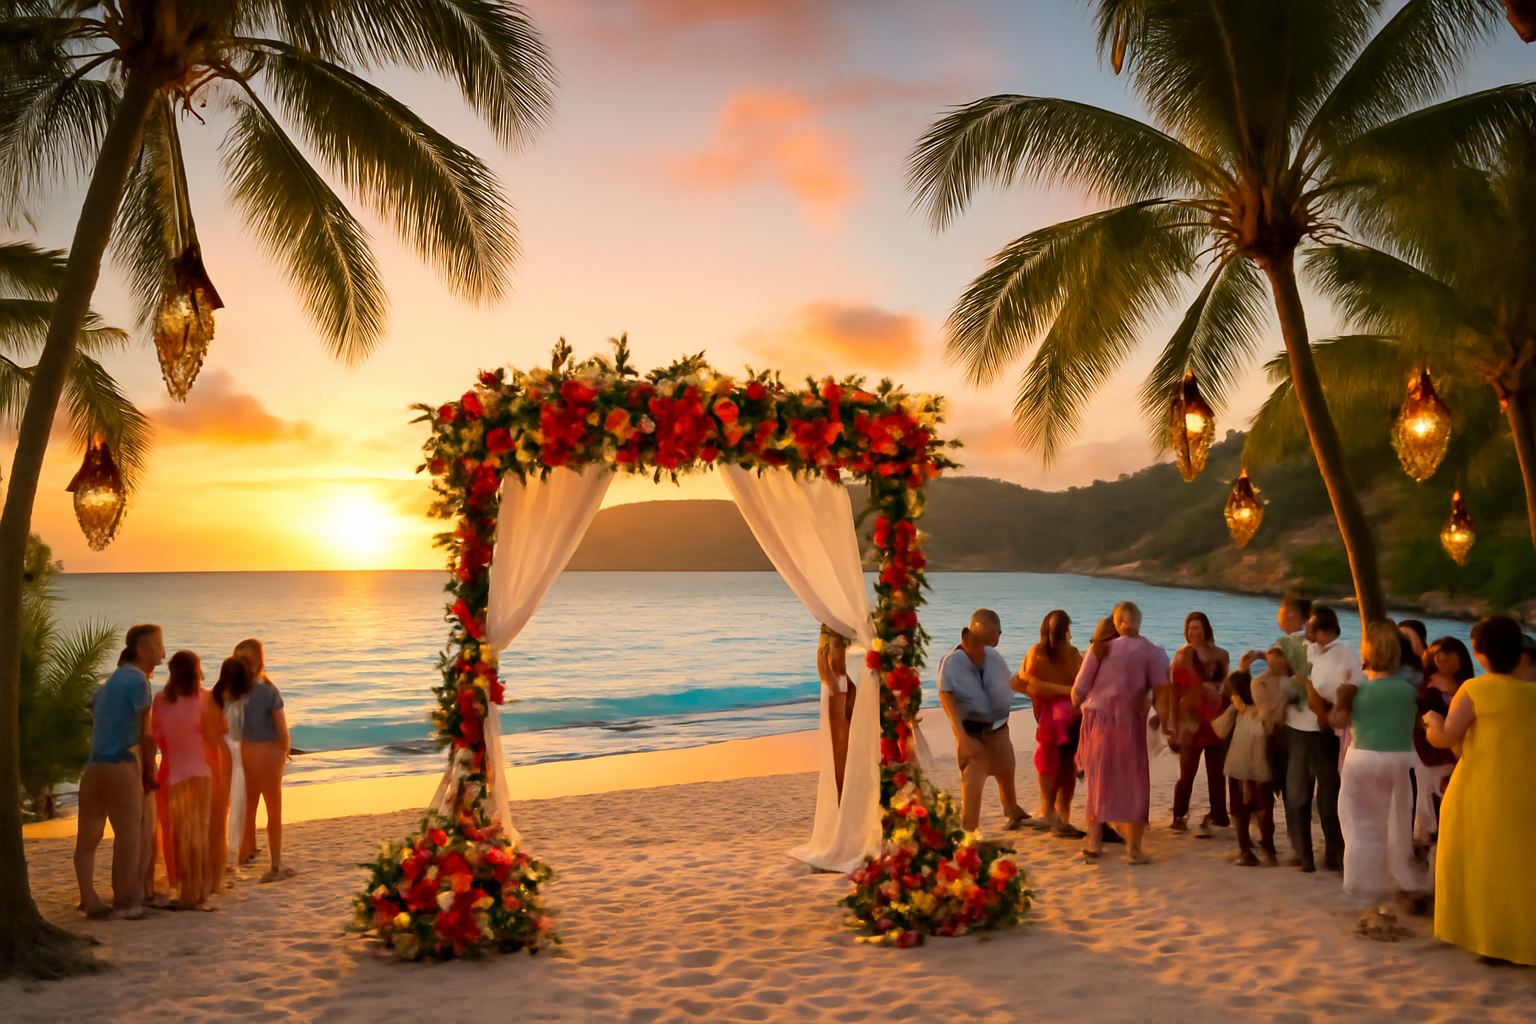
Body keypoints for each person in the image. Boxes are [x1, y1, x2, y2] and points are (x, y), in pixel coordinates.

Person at [1424, 615, 1536, 966]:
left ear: (1479, 652)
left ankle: (1491, 942)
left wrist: (1432, 723)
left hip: (1479, 787)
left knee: (1482, 863)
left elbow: (1447, 737)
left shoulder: (1474, 690)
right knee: (1521, 866)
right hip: (1524, 787)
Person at [1331, 621, 1425, 902]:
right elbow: (1418, 727)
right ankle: (1397, 879)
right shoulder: (1410, 690)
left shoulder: (1355, 689)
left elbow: (1337, 720)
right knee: (1396, 825)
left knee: (1359, 825)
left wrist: (1336, 699)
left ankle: (1361, 887)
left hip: (1364, 757)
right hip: (1401, 759)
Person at [74, 624, 162, 919]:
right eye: (159, 644)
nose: (163, 651)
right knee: (129, 836)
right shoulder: (139, 682)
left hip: (93, 767)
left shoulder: (105, 687)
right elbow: (145, 734)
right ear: (143, 648)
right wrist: (149, 772)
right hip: (121, 766)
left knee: (87, 839)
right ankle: (126, 900)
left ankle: (88, 898)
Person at [1072, 602, 1168, 864]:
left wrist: (1078, 707)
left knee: (1098, 783)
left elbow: (1078, 689)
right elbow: (1162, 692)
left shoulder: (1099, 649)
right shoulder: (1154, 652)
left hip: (1098, 722)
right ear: (1138, 620)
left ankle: (1094, 845)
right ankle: (1134, 850)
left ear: (1117, 623)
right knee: (1135, 783)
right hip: (1129, 724)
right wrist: (1166, 720)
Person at [937, 609, 1029, 833]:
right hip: (973, 735)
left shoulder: (993, 657)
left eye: (992, 641)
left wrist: (1033, 689)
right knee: (973, 785)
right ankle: (969, 831)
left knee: (1007, 772)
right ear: (967, 635)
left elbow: (1009, 684)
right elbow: (946, 697)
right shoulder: (952, 662)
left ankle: (1012, 810)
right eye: (983, 641)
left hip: (999, 731)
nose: (987, 647)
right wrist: (961, 736)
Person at [1278, 605, 1349, 873]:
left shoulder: (1341, 653)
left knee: (1324, 797)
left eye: (1311, 629)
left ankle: (1331, 854)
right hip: (1299, 727)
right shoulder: (1306, 648)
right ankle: (1305, 854)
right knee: (1301, 795)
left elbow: (1344, 687)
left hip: (1322, 730)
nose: (1307, 633)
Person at [151, 651, 216, 909]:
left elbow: (158, 739)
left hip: (174, 774)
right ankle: (197, 894)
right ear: (196, 670)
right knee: (198, 835)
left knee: (180, 837)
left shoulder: (160, 701)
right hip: (201, 773)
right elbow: (213, 736)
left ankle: (187, 893)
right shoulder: (206, 699)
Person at [1015, 610, 1084, 838]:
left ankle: (1063, 813)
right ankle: (1048, 810)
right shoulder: (1038, 653)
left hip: (1072, 718)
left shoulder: (1073, 654)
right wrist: (1066, 691)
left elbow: (1084, 681)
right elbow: (1027, 682)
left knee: (1068, 766)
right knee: (1048, 764)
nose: (1069, 636)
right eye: (1066, 632)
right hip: (1051, 720)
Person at [1213, 661, 1288, 866]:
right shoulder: (1265, 708)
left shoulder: (1239, 708)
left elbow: (1218, 730)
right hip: (1263, 760)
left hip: (1240, 759)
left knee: (1239, 805)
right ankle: (1268, 846)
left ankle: (1245, 850)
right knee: (1265, 802)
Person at [1165, 611, 1230, 836]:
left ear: (1206, 629)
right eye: (1190, 628)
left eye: (1198, 627)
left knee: (1217, 772)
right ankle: (1179, 815)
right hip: (1190, 720)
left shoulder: (1220, 654)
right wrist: (1173, 722)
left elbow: (1226, 687)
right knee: (1187, 772)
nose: (1194, 632)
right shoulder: (1181, 656)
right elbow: (1174, 691)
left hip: (1215, 718)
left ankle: (1218, 815)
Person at [235, 638, 294, 882]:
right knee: (273, 811)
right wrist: (285, 752)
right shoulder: (268, 689)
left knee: (247, 808)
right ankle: (275, 864)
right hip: (268, 756)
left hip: (246, 755)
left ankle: (244, 852)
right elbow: (282, 730)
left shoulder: (232, 691)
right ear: (259, 663)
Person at [1412, 637, 1473, 847]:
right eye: (1437, 653)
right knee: (1434, 804)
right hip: (1433, 754)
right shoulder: (1426, 684)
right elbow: (1423, 718)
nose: (1442, 658)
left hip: (1464, 753)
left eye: (1448, 653)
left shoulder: (1469, 684)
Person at [205, 656, 248, 894]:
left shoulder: (213, 696)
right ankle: (226, 861)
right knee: (231, 808)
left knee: (221, 809)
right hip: (232, 754)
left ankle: (223, 861)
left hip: (218, 753)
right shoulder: (238, 698)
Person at [816, 625, 857, 800]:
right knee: (840, 761)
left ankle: (844, 799)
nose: (845, 655)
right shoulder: (835, 689)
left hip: (840, 687)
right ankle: (842, 801)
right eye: (841, 650)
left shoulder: (842, 684)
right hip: (837, 690)